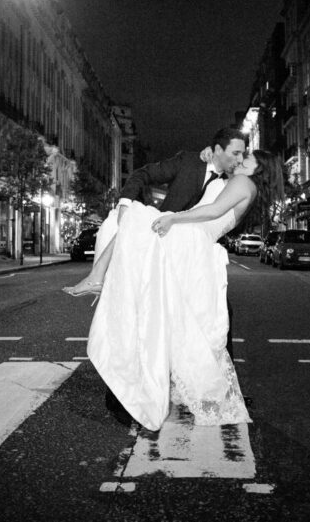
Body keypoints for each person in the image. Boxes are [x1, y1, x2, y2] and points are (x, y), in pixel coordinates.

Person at [86, 150, 282, 431]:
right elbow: (215, 178)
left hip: (187, 242)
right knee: (176, 322)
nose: (240, 160)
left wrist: (173, 220)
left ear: (259, 169)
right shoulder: (246, 187)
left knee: (150, 303)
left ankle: (126, 390)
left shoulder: (242, 184)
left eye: (247, 159)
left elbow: (213, 211)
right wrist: (209, 154)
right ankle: (140, 391)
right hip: (195, 248)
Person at [63, 127, 247, 298]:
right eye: (236, 153)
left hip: (195, 249)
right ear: (217, 150)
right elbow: (143, 174)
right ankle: (96, 277)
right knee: (134, 215)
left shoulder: (235, 180)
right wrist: (125, 203)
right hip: (165, 233)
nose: (240, 159)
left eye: (243, 154)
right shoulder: (188, 161)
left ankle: (97, 276)